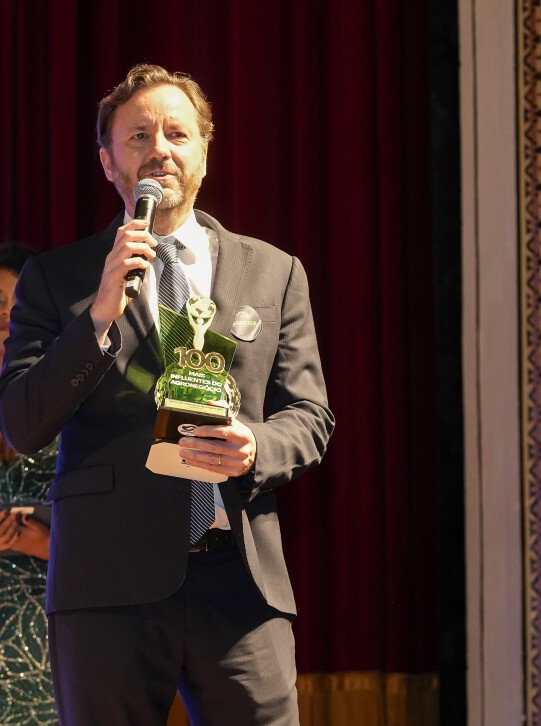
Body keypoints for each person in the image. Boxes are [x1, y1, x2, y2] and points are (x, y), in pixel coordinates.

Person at [0, 65, 334, 724]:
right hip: (106, 584)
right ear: (107, 161)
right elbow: (22, 421)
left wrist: (254, 446)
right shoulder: (56, 278)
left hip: (238, 581)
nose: (160, 149)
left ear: (204, 152)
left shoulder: (274, 272)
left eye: (178, 134)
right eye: (139, 136)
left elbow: (310, 415)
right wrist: (98, 316)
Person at [0, 241, 58, 725]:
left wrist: (47, 542)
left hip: (52, 611)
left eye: (16, 304)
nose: (6, 316)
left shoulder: (71, 390)